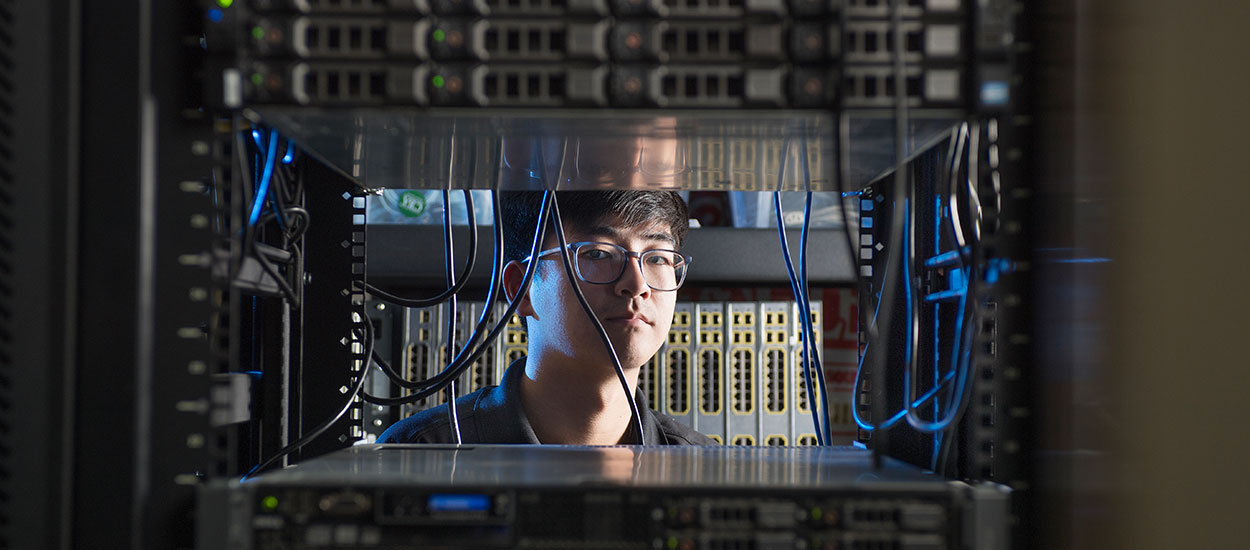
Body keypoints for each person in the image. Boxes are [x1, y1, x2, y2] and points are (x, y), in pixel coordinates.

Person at [378, 190, 715, 445]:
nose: (637, 284)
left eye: (657, 258)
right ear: (521, 288)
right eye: (598, 253)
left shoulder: (706, 469)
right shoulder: (421, 453)